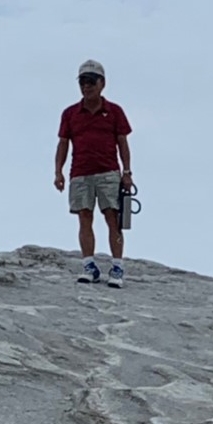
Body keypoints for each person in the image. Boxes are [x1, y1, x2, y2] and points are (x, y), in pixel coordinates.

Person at [54, 59, 133, 287]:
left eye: (90, 81)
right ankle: (89, 265)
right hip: (80, 173)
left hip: (109, 172)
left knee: (112, 218)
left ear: (102, 83)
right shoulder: (70, 114)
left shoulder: (115, 111)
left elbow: (123, 143)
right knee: (84, 217)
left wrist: (126, 172)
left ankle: (117, 267)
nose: (86, 86)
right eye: (82, 82)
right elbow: (63, 144)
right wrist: (58, 171)